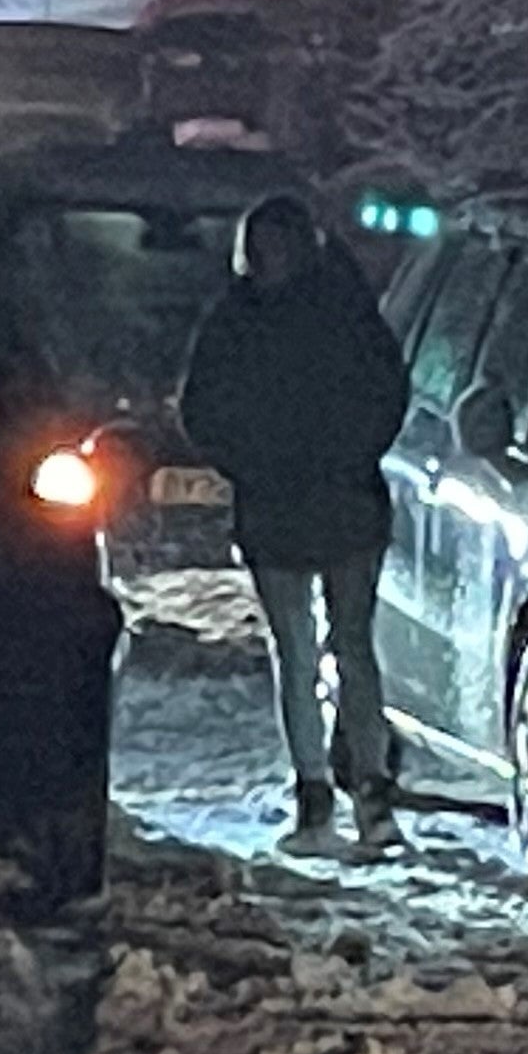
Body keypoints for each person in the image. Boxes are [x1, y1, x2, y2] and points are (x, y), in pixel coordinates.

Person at [176, 191, 410, 853]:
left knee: (333, 648)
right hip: (326, 499)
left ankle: (349, 793)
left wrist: (258, 461)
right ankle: (337, 792)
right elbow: (384, 393)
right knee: (320, 648)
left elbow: (204, 408)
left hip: (308, 500)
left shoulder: (242, 319)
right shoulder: (344, 310)